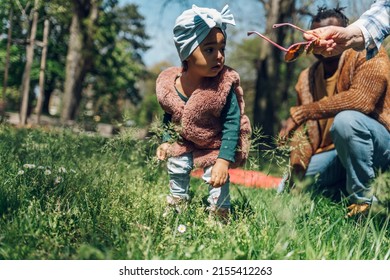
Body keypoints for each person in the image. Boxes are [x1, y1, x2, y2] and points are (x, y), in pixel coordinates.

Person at [278, 5, 390, 217]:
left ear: (345, 33)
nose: (324, 43)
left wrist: (303, 112)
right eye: (317, 36)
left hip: (381, 145)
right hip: (335, 154)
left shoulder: (369, 53)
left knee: (346, 122)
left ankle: (364, 203)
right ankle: (339, 190)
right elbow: (305, 134)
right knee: (287, 187)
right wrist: (297, 169)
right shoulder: (305, 78)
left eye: (331, 34)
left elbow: (361, 100)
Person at [155, 5, 251, 221]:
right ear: (187, 52)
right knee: (177, 162)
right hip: (186, 139)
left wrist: (224, 161)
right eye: (209, 50)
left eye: (222, 49)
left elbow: (232, 124)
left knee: (215, 175)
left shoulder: (222, 87)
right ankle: (176, 204)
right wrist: (166, 140)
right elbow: (170, 115)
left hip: (215, 141)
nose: (219, 56)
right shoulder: (171, 86)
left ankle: (219, 214)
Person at [303, 0, 390, 59]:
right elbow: (385, 9)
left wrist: (352, 36)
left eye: (330, 37)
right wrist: (352, 35)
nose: (323, 42)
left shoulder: (368, 59)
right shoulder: (309, 75)